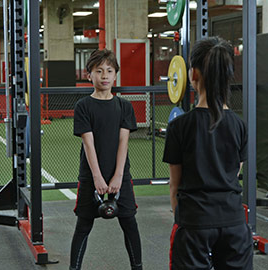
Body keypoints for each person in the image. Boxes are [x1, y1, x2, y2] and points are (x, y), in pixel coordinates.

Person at [163, 36, 253, 270]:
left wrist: (181, 219)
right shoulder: (239, 125)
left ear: (193, 74)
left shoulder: (179, 126)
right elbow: (234, 173)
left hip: (194, 225)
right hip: (234, 223)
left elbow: (175, 185)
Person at [70, 49, 142, 270]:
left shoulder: (124, 106)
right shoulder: (83, 106)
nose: (104, 76)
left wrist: (118, 175)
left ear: (115, 75)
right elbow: (88, 144)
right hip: (92, 176)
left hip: (120, 176)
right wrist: (98, 178)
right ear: (89, 75)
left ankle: (138, 267)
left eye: (109, 71)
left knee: (130, 223)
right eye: (98, 71)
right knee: (83, 225)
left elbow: (124, 142)